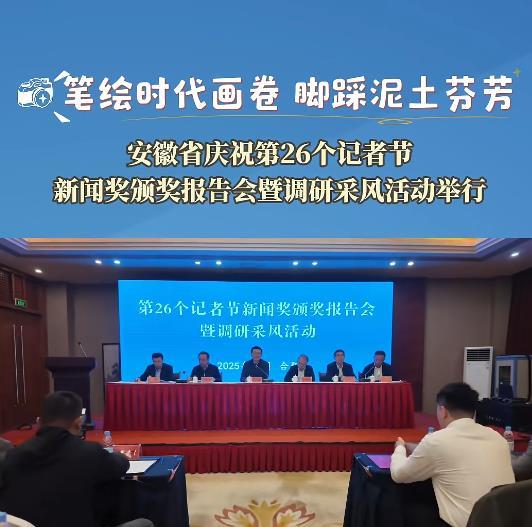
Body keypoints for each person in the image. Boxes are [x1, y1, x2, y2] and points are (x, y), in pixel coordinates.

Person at [0, 391, 153, 527]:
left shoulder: (12, 456)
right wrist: (122, 456)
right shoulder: (89, 453)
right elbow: (121, 465)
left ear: (39, 422)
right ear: (79, 423)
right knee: (145, 523)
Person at [390, 382, 515, 527]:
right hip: (506, 521)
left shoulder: (437, 441)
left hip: (468, 524)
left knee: (411, 508)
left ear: (443, 411)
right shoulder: (497, 438)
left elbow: (399, 475)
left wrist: (400, 448)